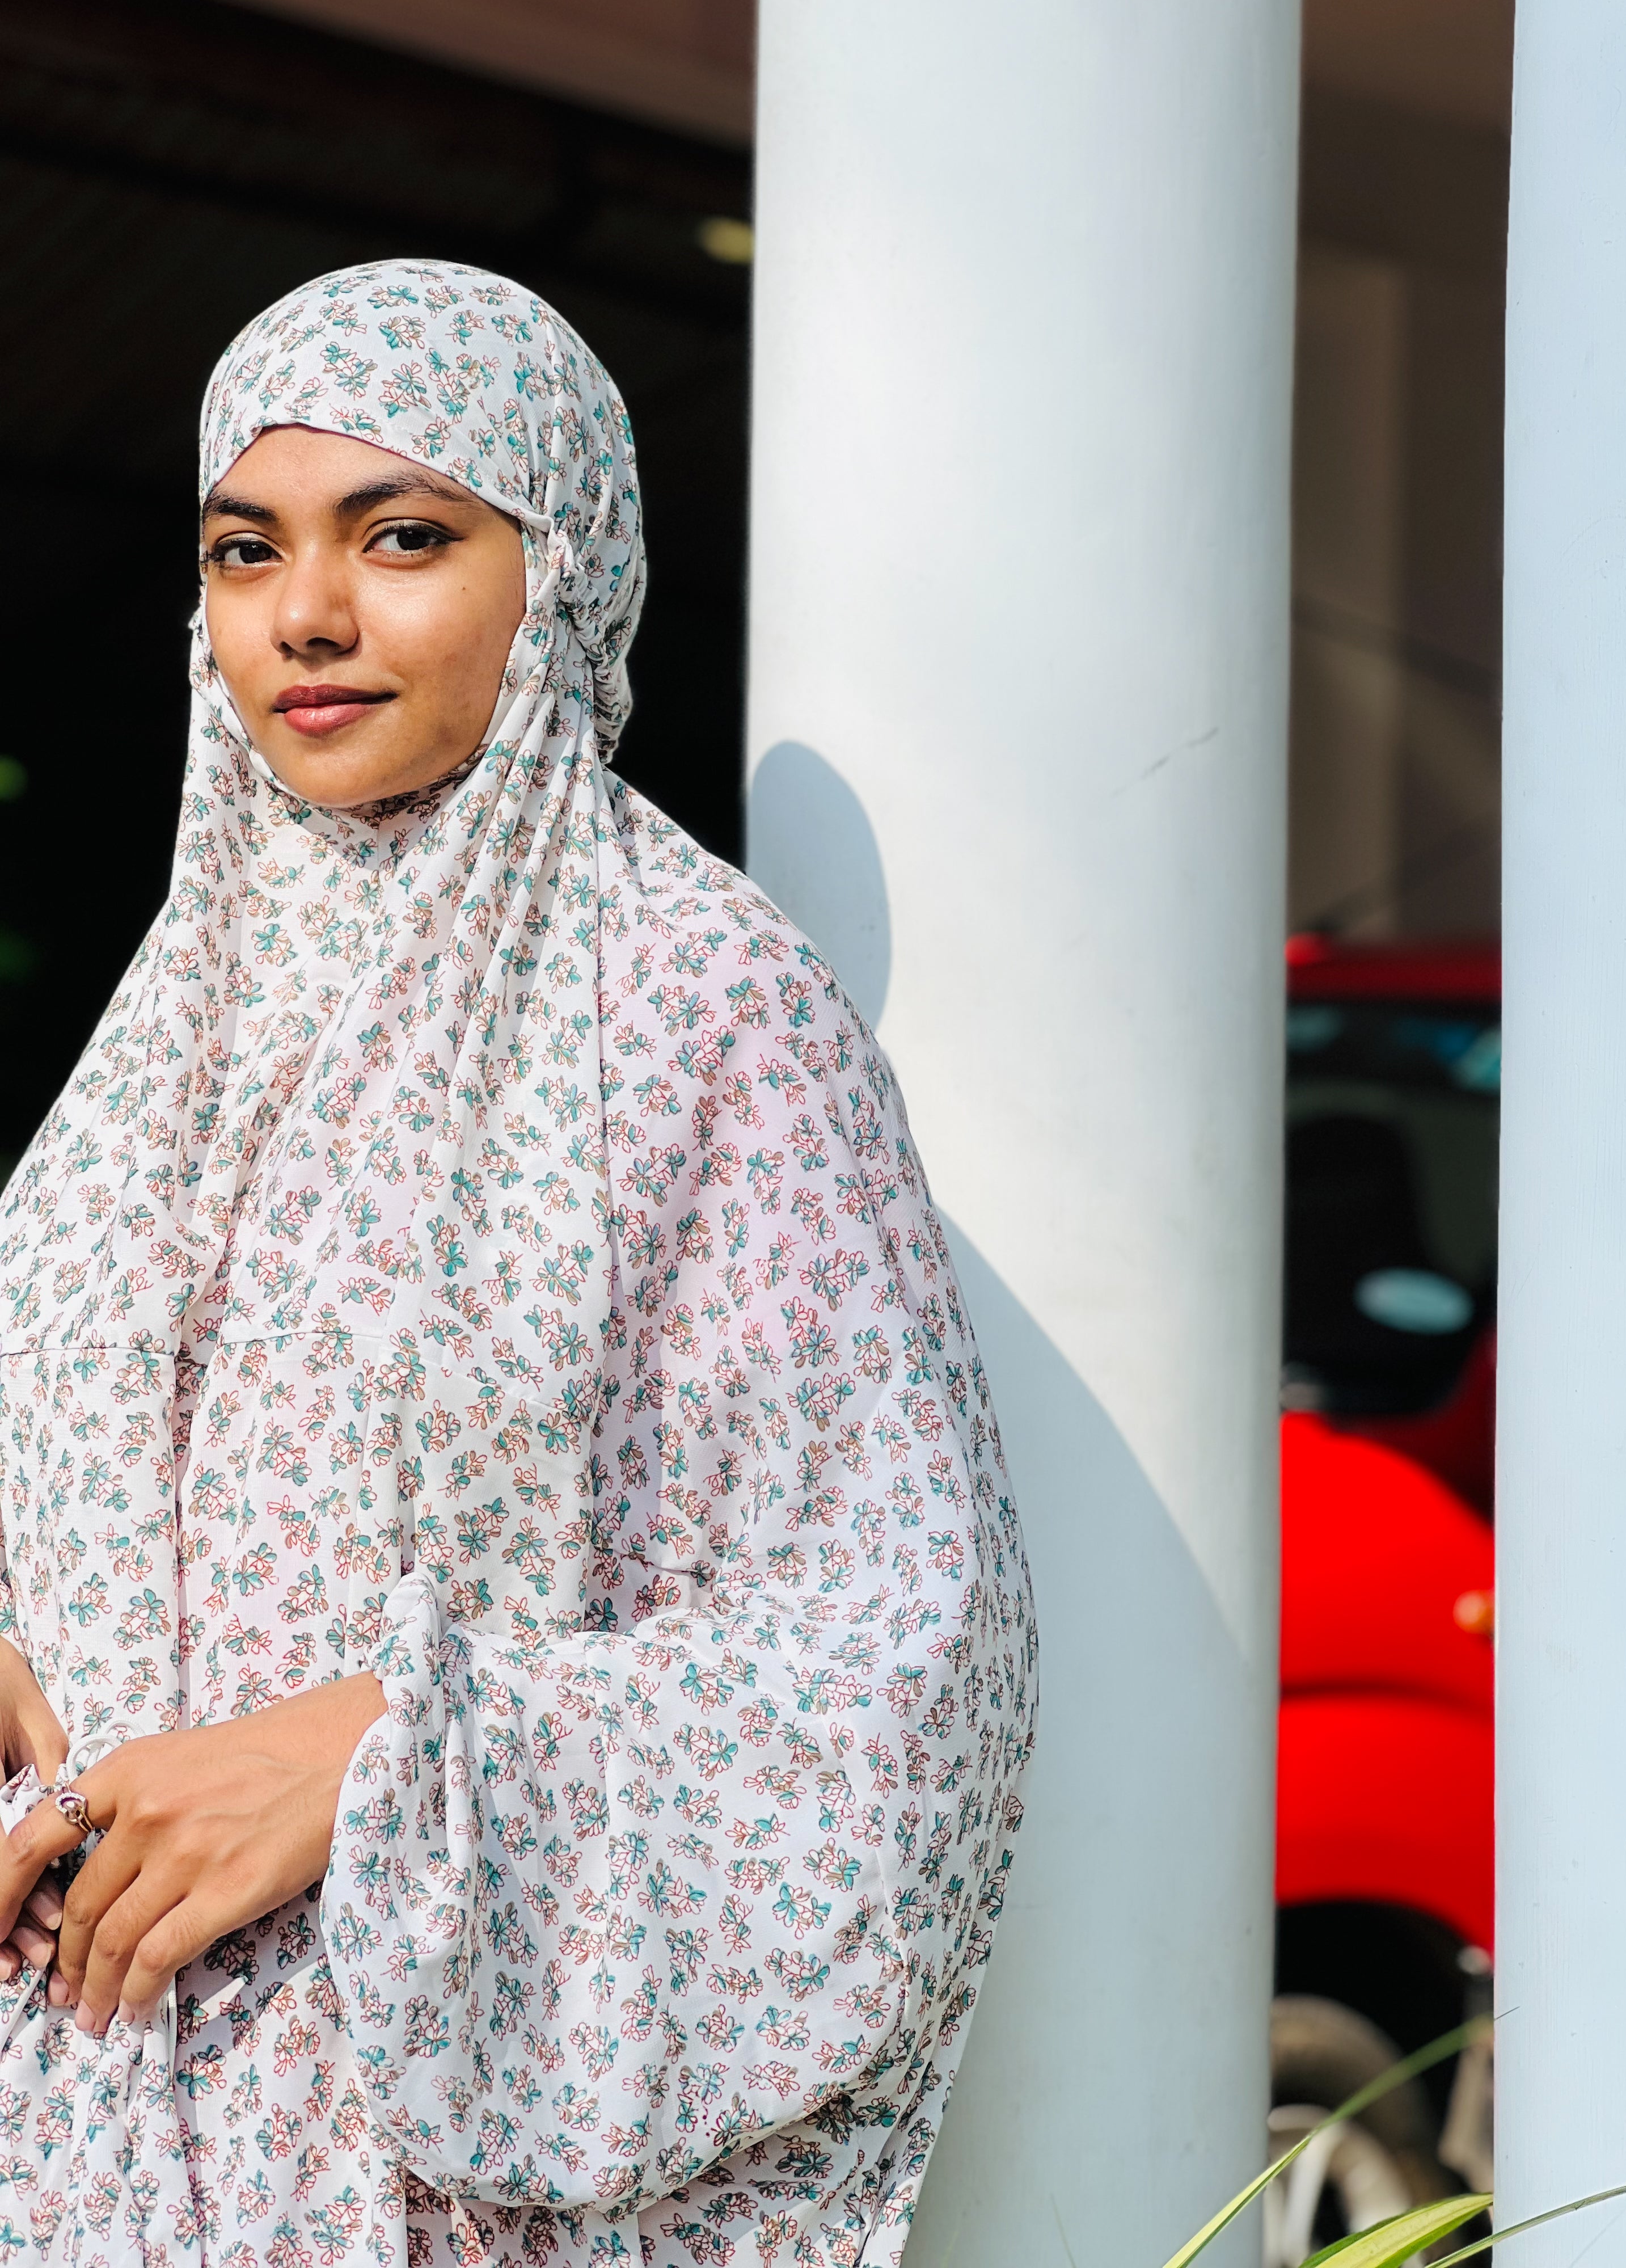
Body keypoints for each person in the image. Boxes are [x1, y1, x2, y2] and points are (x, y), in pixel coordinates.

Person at [0, 259, 1036, 2268]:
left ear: (558, 571)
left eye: (403, 538)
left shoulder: (696, 1003)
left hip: (419, 2159)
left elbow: (900, 1648)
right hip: (78, 2123)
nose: (307, 613)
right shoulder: (173, 1028)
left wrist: (387, 1757)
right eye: (246, 548)